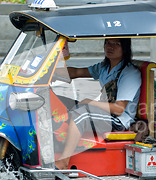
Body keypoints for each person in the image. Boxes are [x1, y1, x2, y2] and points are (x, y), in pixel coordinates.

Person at [55, 38, 142, 170]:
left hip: (119, 122)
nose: (110, 47)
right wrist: (49, 72)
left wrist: (90, 102)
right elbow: (77, 72)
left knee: (81, 114)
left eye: (116, 44)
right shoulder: (104, 67)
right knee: (62, 101)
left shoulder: (129, 73)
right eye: (107, 43)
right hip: (104, 114)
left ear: (125, 48)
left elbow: (119, 109)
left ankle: (63, 163)